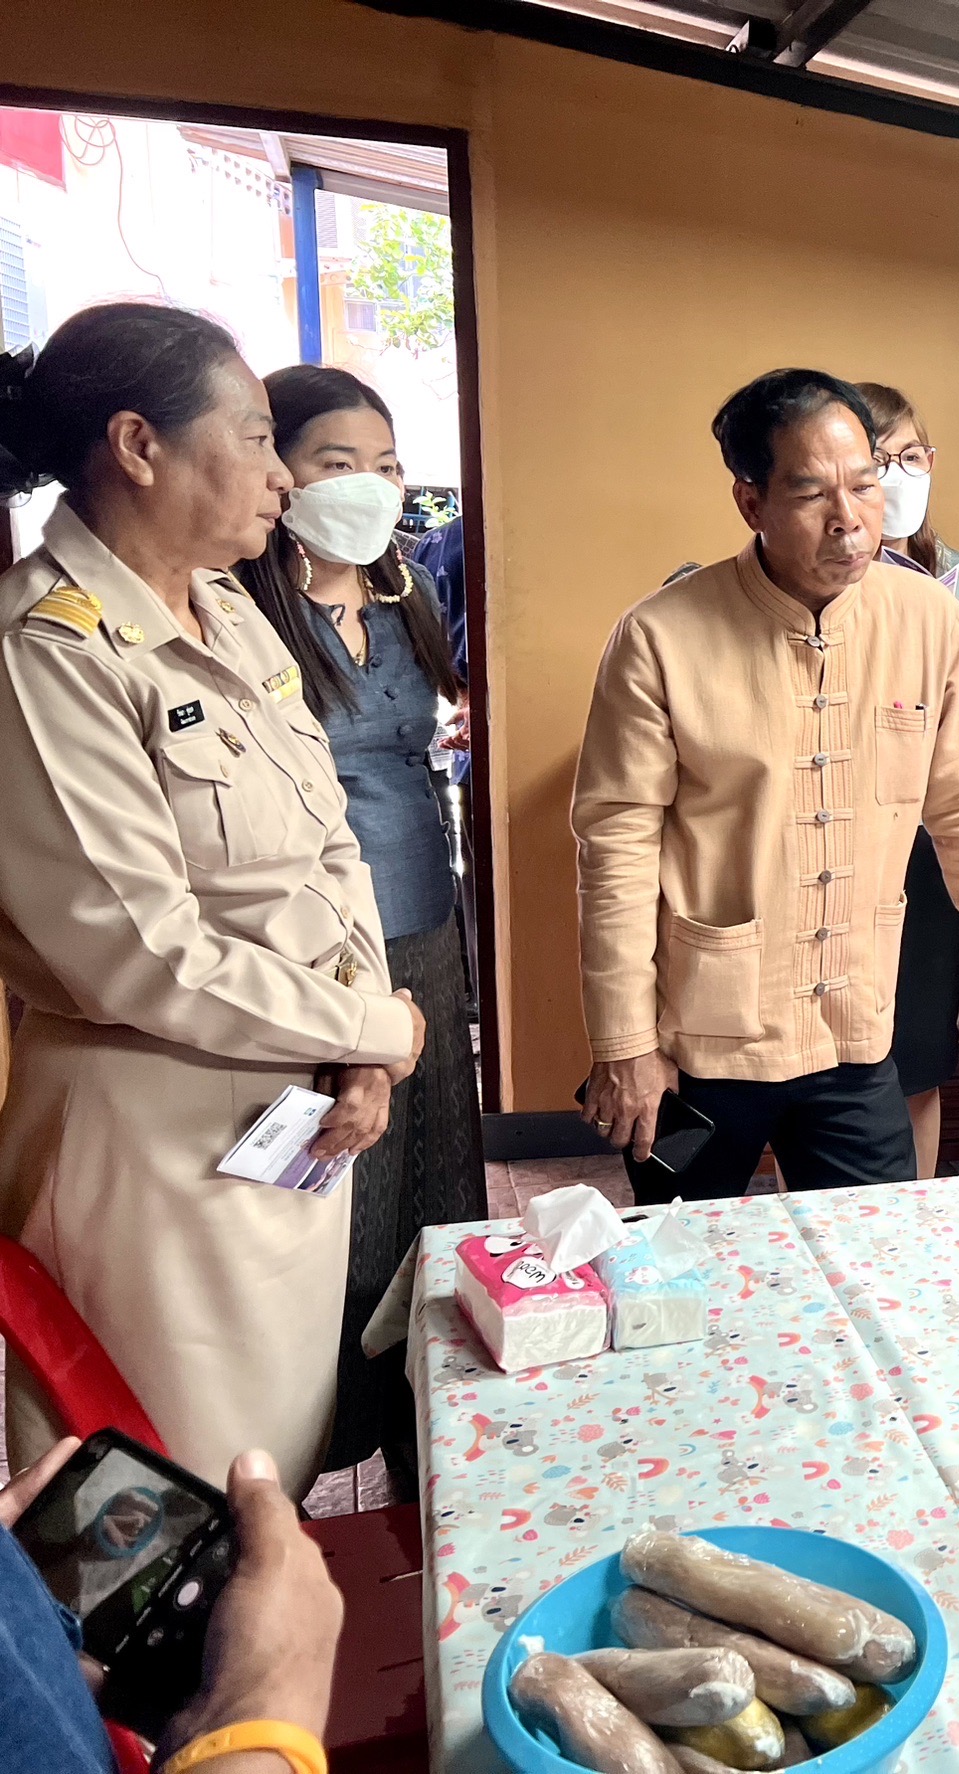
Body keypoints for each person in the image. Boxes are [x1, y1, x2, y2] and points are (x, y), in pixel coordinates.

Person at [0, 304, 423, 1494]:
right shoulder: (50, 651)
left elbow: (326, 840)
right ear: (139, 445)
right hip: (152, 1150)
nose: (283, 475)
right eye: (252, 433)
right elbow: (145, 955)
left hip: (294, 1120)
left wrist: (361, 1040)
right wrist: (378, 1028)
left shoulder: (226, 605)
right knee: (158, 1498)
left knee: (269, 1473)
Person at [574, 368, 959, 1201]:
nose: (849, 519)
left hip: (856, 1035)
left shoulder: (925, 618)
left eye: (864, 484)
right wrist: (622, 1043)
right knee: (680, 1266)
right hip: (706, 1044)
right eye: (810, 492)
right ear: (749, 502)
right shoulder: (660, 636)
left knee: (875, 1262)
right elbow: (614, 849)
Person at [235, 365, 485, 1486]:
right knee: (343, 1206)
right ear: (279, 471)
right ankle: (310, 1453)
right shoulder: (238, 612)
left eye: (387, 465)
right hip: (316, 948)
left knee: (439, 1187)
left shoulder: (404, 599)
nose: (373, 487)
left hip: (426, 919)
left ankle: (421, 1442)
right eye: (341, 463)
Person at [853, 381, 959, 1178]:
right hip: (843, 838)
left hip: (928, 839)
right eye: (879, 459)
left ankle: (910, 1206)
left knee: (915, 1050)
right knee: (835, 1058)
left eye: (912, 455)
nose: (900, 474)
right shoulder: (814, 573)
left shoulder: (955, 578)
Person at [0, 1440, 343, 1774]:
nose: (133, 1526)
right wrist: (257, 1735)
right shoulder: (91, 1584)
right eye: (121, 1520)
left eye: (138, 1514)